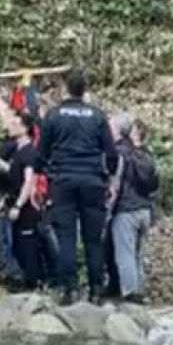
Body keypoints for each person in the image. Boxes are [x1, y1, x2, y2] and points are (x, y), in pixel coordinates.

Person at [37, 69, 119, 305]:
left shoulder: (53, 116)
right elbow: (111, 154)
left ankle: (69, 289)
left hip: (62, 181)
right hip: (93, 181)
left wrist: (43, 179)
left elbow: (41, 153)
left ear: (65, 88)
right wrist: (110, 179)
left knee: (66, 237)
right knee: (93, 238)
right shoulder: (98, 116)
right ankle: (95, 290)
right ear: (85, 90)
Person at [109, 114, 159, 304]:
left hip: (126, 210)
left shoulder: (121, 153)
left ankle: (130, 295)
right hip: (145, 210)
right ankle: (139, 291)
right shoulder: (146, 154)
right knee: (138, 254)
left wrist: (108, 210)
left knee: (125, 254)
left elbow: (116, 184)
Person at [0, 111, 44, 290]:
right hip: (12, 202)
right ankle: (21, 278)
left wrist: (18, 205)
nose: (10, 127)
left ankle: (32, 282)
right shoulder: (17, 152)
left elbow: (29, 181)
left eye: (15, 124)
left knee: (27, 244)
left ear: (25, 128)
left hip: (25, 207)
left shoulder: (29, 152)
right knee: (16, 243)